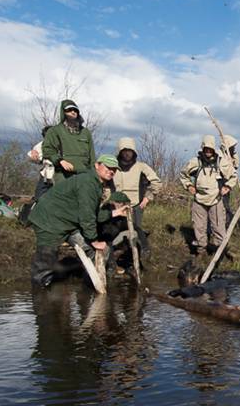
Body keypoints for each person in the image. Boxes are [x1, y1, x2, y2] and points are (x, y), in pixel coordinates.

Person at [28, 154, 129, 287]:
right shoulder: (88, 182)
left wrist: (115, 212)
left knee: (95, 251)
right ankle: (40, 295)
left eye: (114, 169)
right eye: (108, 167)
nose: (111, 171)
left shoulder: (96, 183)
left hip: (68, 222)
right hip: (49, 221)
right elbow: (87, 217)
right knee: (45, 263)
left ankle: (92, 286)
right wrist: (94, 240)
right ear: (97, 165)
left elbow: (92, 213)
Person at [179, 134, 237, 255]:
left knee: (219, 227)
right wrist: (189, 186)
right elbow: (183, 174)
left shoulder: (220, 162)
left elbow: (233, 176)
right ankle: (201, 251)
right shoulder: (195, 162)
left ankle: (219, 252)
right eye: (206, 149)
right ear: (203, 149)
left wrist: (227, 186)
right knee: (199, 227)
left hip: (216, 199)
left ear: (214, 149)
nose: (209, 152)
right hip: (199, 200)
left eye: (211, 149)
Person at [112, 137, 163, 255]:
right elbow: (105, 185)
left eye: (129, 151)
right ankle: (114, 257)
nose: (127, 154)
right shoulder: (113, 166)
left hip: (135, 206)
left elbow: (157, 182)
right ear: (120, 152)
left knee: (135, 233)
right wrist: (111, 202)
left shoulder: (141, 166)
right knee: (114, 234)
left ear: (134, 152)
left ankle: (135, 256)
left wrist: (147, 198)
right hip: (116, 207)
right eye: (124, 151)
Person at [41, 99, 95, 184]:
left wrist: (94, 174)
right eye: (69, 110)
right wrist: (60, 161)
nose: (73, 112)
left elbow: (92, 156)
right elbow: (47, 150)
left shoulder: (85, 132)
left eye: (75, 110)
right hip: (63, 175)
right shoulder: (54, 131)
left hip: (84, 175)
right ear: (63, 112)